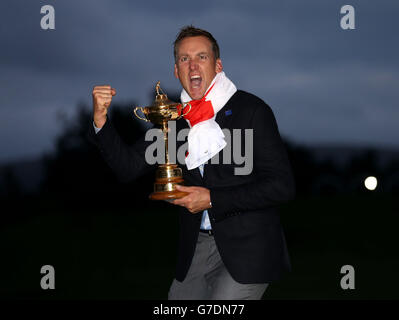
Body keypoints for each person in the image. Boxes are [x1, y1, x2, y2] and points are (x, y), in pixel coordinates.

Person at [87, 26, 295, 300]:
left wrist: (213, 199)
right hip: (196, 249)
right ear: (176, 70)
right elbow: (128, 168)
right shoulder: (174, 120)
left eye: (202, 57)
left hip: (250, 247)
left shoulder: (252, 111)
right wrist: (101, 120)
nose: (193, 65)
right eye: (184, 59)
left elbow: (282, 186)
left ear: (218, 65)